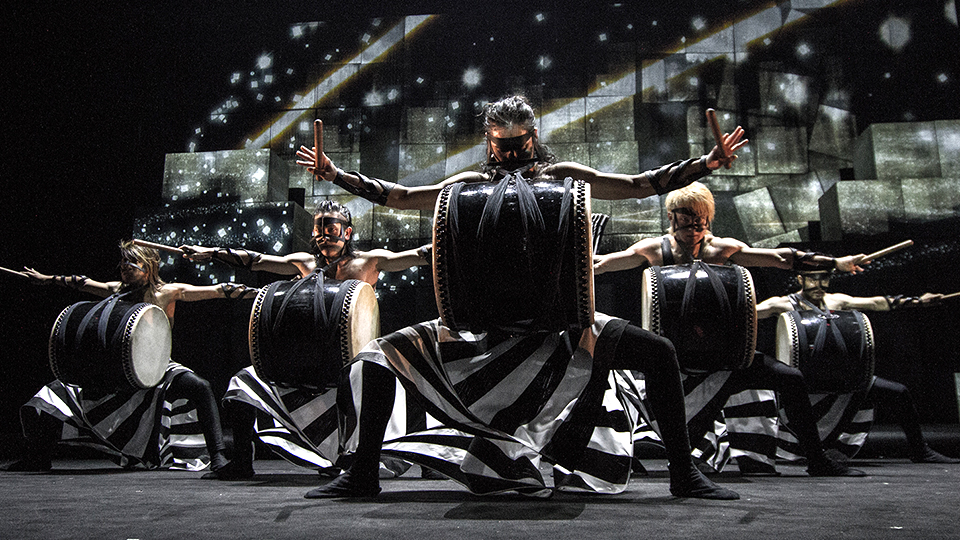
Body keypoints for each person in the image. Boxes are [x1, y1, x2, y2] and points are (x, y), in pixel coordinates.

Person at [291, 95, 748, 499]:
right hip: (482, 333)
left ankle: (684, 473)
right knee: (377, 358)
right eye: (500, 145)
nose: (509, 154)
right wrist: (337, 176)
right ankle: (363, 473)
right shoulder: (468, 186)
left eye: (519, 144)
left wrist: (704, 164)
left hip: (564, 332)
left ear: (534, 138)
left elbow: (637, 185)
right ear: (489, 143)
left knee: (660, 351)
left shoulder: (565, 179)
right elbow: (404, 195)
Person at [594, 181, 869, 476]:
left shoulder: (722, 249)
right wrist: (584, 260)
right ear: (672, 217)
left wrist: (836, 262)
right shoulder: (655, 250)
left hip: (721, 357)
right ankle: (661, 460)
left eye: (699, 221)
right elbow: (605, 263)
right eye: (686, 220)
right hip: (673, 360)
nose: (693, 229)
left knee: (790, 379)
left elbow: (779, 258)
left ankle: (817, 460)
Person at [180, 199, 432, 480]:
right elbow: (259, 260)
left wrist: (451, 241)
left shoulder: (368, 262)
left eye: (333, 229)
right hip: (312, 366)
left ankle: (428, 460)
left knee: (407, 372)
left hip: (356, 367)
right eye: (319, 230)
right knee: (242, 383)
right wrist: (212, 252)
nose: (325, 236)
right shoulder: (305, 263)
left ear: (347, 233)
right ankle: (242, 461)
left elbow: (418, 255)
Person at [3, 240, 257, 477]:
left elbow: (219, 290)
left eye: (131, 263)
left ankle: (219, 458)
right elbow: (80, 282)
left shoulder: (166, 293)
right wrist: (46, 279)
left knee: (200, 386)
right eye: (122, 263)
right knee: (59, 391)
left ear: (148, 269)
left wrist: (258, 294)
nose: (124, 268)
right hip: (118, 368)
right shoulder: (115, 290)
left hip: (157, 367)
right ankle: (39, 455)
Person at [753, 269, 959, 464]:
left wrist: (918, 301)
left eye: (823, 279)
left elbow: (876, 303)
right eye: (812, 279)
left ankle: (921, 451)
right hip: (804, 380)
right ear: (799, 279)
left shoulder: (836, 300)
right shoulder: (782, 303)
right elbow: (750, 313)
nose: (819, 284)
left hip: (840, 377)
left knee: (899, 392)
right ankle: (814, 456)